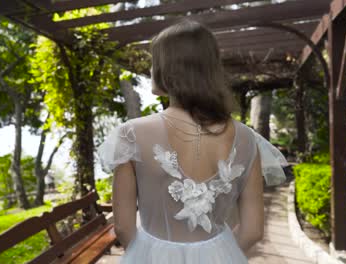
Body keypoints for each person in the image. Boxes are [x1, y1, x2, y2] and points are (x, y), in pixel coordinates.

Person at [98, 20, 288, 264]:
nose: (151, 68)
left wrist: (148, 255)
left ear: (168, 67)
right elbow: (253, 231)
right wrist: (219, 256)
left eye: (155, 60)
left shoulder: (131, 134)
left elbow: (124, 227)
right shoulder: (247, 138)